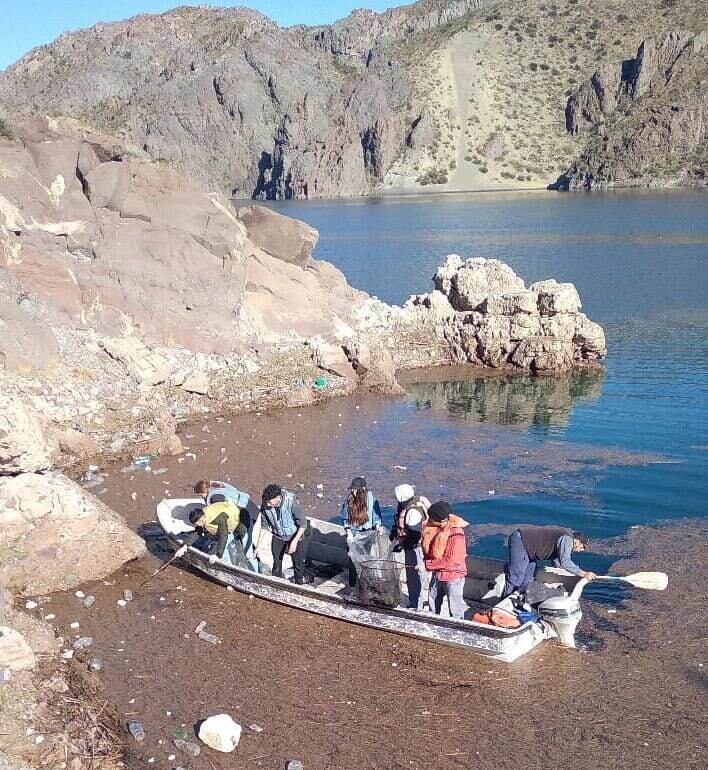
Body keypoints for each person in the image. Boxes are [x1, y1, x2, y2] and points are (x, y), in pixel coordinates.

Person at [502, 525, 597, 599]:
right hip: (521, 541)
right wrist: (583, 573)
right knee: (517, 577)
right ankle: (503, 602)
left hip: (531, 551)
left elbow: (558, 562)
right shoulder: (567, 539)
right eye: (582, 547)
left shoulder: (563, 541)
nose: (581, 550)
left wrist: (574, 574)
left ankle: (519, 600)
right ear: (577, 541)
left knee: (529, 579)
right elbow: (565, 562)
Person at [194, 479, 260, 570]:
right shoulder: (217, 485)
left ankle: (252, 570)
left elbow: (224, 516)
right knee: (240, 537)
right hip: (252, 508)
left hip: (246, 513)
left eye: (201, 495)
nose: (201, 497)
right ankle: (244, 560)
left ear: (205, 491)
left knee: (242, 541)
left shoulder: (215, 498)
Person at [258, 484, 314, 584]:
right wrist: (258, 547)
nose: (268, 505)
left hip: (295, 534)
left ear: (278, 498)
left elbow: (303, 524)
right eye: (267, 503)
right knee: (276, 562)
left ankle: (299, 583)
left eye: (270, 502)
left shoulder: (291, 501)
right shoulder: (266, 504)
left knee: (298, 563)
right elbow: (264, 526)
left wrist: (294, 542)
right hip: (278, 535)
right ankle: (277, 583)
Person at [421, 501, 469, 619]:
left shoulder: (456, 534)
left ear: (440, 520)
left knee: (455, 608)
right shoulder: (439, 528)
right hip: (438, 574)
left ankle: (458, 629)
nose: (430, 521)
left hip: (453, 577)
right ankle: (432, 621)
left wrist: (427, 565)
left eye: (432, 518)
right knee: (432, 601)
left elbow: (449, 561)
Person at [390, 484, 430, 611]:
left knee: (414, 576)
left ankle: (416, 605)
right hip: (409, 546)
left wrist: (403, 541)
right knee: (412, 575)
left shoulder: (413, 513)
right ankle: (415, 602)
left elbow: (414, 531)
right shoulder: (415, 503)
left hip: (415, 548)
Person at [341, 476, 383, 587]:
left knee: (364, 559)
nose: (353, 491)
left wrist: (378, 526)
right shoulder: (349, 501)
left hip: (366, 534)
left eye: (355, 489)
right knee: (352, 560)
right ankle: (352, 584)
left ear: (362, 489)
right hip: (353, 533)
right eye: (352, 489)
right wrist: (349, 533)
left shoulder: (371, 500)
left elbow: (376, 517)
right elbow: (345, 519)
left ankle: (362, 583)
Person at [188, 499, 247, 568]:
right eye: (197, 524)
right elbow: (197, 532)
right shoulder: (202, 516)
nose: (199, 525)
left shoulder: (219, 518)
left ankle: (229, 566)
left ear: (203, 517)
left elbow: (224, 536)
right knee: (210, 550)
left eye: (199, 523)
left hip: (238, 524)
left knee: (225, 550)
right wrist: (186, 545)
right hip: (223, 529)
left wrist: (218, 555)